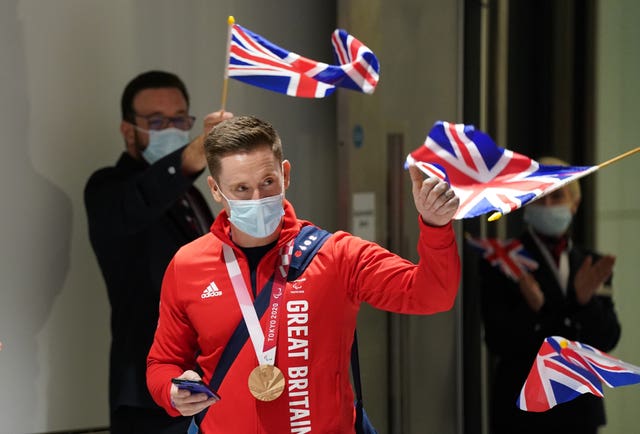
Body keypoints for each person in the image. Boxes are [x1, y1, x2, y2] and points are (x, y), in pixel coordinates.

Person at [146, 115, 462, 433]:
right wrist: (172, 392)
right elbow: (162, 363)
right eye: (241, 188)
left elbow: (432, 295)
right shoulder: (188, 265)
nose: (258, 198)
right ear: (216, 190)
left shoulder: (338, 256)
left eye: (268, 182)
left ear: (285, 174)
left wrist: (435, 227)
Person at [84, 70, 232, 434]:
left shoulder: (193, 194)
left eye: (180, 120)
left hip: (210, 380)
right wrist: (193, 153)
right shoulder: (107, 188)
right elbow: (139, 201)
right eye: (156, 121)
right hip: (148, 395)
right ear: (128, 129)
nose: (171, 129)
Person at [479, 157, 621, 434]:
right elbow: (496, 340)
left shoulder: (592, 264)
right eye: (540, 197)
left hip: (579, 411)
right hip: (522, 411)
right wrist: (532, 310)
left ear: (574, 204)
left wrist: (585, 303)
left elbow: (609, 337)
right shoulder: (502, 261)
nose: (548, 205)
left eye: (557, 196)